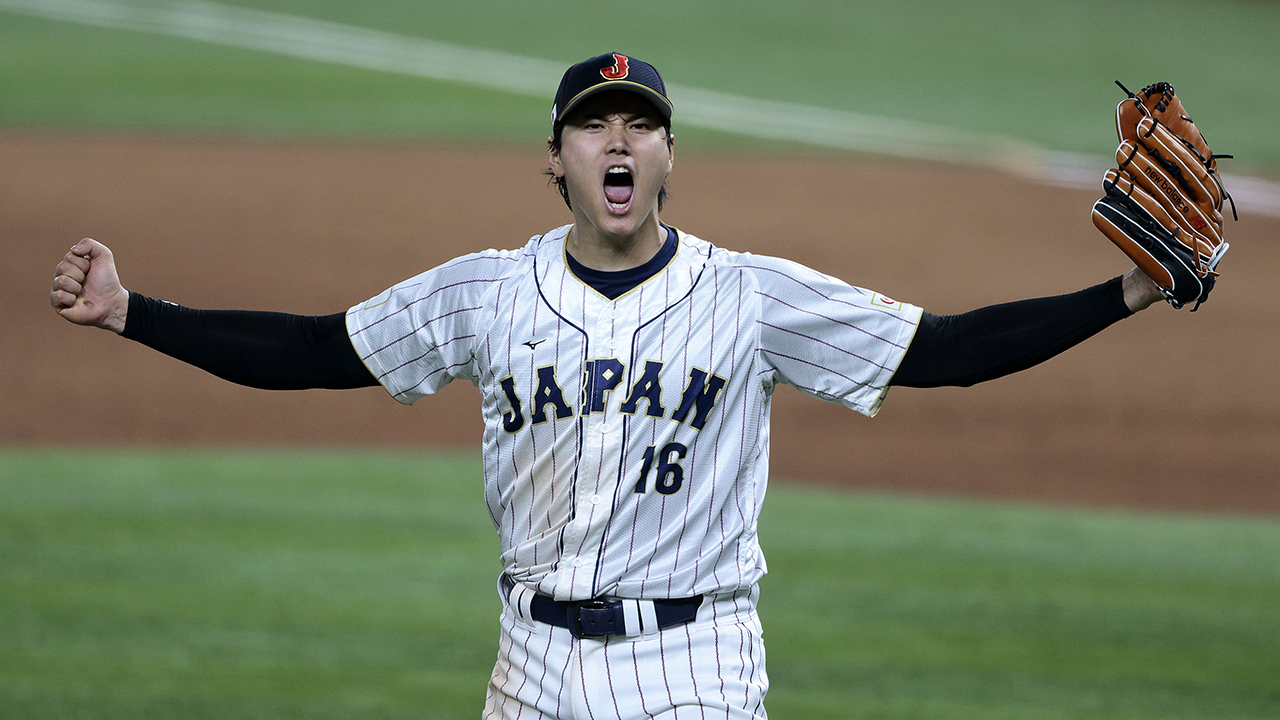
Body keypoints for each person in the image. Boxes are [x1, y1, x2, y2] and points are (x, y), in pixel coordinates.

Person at [50, 53, 1162, 719]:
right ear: (556, 159)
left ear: (668, 158)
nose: (615, 142)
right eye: (592, 126)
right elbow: (313, 350)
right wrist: (134, 311)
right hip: (527, 664)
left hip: (695, 664)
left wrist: (1123, 292)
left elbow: (944, 348)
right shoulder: (485, 293)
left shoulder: (752, 295)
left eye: (638, 126)